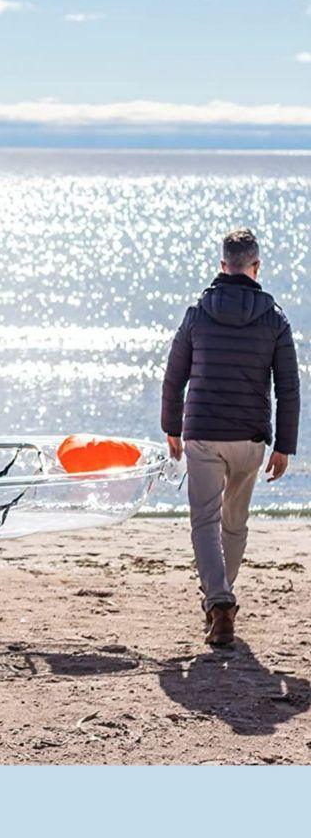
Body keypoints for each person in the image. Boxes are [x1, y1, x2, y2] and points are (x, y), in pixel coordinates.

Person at [162, 228, 300, 646]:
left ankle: (219, 601)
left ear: (223, 266)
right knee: (234, 522)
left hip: (202, 433)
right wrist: (284, 446)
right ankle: (222, 600)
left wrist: (171, 426)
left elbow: (174, 377)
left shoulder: (197, 314)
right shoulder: (275, 319)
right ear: (255, 267)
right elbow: (288, 388)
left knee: (204, 522)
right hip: (249, 438)